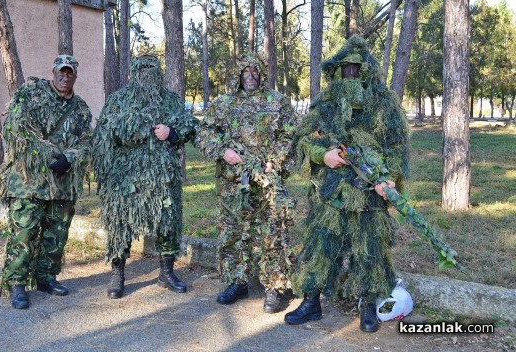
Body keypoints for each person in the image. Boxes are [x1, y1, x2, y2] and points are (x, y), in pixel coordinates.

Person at [284, 35, 410, 332]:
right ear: (336, 71)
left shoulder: (383, 105)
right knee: (319, 246)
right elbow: (301, 140)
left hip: (369, 195)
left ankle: (368, 304)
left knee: (369, 249)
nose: (350, 74)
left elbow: (396, 147)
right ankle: (312, 301)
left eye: (356, 69)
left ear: (367, 70)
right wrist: (322, 154)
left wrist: (390, 180)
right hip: (330, 192)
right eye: (345, 69)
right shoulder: (325, 105)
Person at [195, 52, 299, 313]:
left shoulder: (277, 102)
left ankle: (274, 288)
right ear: (238, 76)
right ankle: (237, 281)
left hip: (266, 183)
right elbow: (204, 132)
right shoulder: (224, 104)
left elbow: (291, 136)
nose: (250, 77)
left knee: (272, 234)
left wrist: (274, 160)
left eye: (255, 72)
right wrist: (223, 151)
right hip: (232, 185)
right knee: (232, 235)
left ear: (262, 75)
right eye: (245, 72)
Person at [93, 55, 198, 298]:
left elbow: (189, 125)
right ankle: (117, 274)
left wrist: (172, 132)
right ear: (134, 73)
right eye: (142, 69)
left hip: (162, 177)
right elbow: (104, 131)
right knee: (120, 223)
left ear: (159, 73)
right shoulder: (118, 100)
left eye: (151, 69)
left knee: (168, 222)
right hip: (124, 177)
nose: (146, 73)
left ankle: (166, 272)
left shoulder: (170, 101)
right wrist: (133, 128)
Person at [0, 55, 93, 309]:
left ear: (75, 76)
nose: (65, 77)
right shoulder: (32, 96)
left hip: (61, 184)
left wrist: (69, 158)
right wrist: (49, 155)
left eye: (69, 73)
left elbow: (86, 142)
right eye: (60, 72)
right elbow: (19, 130)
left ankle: (46, 277)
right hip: (28, 182)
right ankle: (17, 284)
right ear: (52, 73)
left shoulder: (81, 109)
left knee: (57, 234)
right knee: (24, 234)